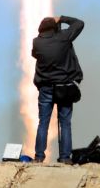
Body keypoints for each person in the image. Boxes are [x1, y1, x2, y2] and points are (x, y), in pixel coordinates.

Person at [31, 15, 85, 164]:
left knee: (43, 122)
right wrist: (61, 18)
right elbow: (79, 23)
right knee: (65, 123)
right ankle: (65, 157)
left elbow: (35, 54)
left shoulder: (37, 42)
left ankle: (39, 156)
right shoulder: (63, 37)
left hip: (46, 88)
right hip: (64, 87)